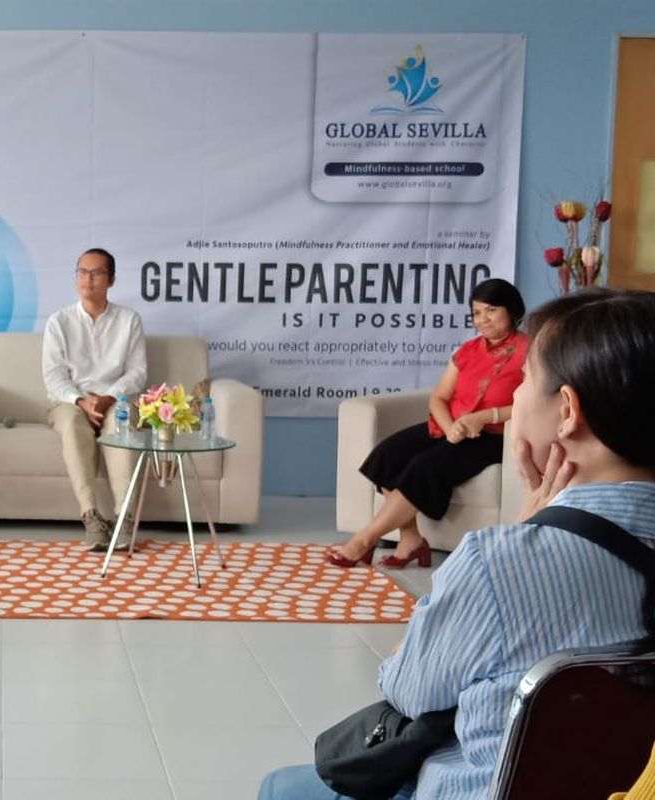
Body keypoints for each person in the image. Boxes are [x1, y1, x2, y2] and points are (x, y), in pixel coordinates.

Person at [259, 287, 655, 799]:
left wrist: (522, 534)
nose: (513, 398)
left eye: (526, 382)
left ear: (566, 411)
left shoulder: (500, 563)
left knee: (283, 787)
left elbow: (406, 690)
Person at [328, 278, 528, 568]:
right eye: (476, 313)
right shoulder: (468, 351)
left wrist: (483, 417)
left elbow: (533, 403)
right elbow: (439, 397)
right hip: (452, 428)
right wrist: (450, 429)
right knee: (388, 454)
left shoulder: (530, 350)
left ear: (511, 310)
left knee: (425, 465)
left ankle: (364, 539)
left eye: (491, 310)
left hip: (492, 436)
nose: (482, 320)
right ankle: (411, 539)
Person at [42, 247, 147, 551]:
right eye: (82, 272)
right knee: (73, 426)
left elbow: (138, 373)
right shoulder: (58, 322)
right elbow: (54, 377)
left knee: (122, 425)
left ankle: (125, 518)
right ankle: (91, 517)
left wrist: (109, 397)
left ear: (111, 280)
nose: (88, 279)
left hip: (116, 400)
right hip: (70, 402)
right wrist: (81, 401)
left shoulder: (129, 320)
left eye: (97, 273)